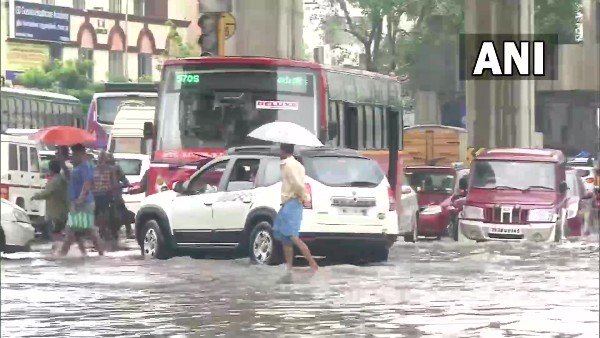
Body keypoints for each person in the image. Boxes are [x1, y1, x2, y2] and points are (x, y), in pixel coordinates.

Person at [272, 143, 318, 272]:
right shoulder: (297, 165)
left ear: (283, 150)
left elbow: (298, 184)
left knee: (292, 236)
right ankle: (289, 267)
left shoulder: (289, 165)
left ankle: (312, 264)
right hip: (289, 203)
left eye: (280, 150)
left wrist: (305, 198)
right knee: (286, 237)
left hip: (292, 202)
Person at [60, 144, 104, 256]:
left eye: (74, 153)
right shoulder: (77, 167)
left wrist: (80, 199)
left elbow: (87, 183)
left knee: (77, 230)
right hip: (78, 202)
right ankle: (87, 254)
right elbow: (70, 177)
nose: (72, 156)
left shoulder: (85, 166)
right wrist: (62, 161)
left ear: (81, 154)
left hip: (83, 203)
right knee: (78, 231)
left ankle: (61, 256)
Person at [32, 160, 69, 243]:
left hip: (56, 212)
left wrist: (35, 196)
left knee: (55, 232)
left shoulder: (55, 181)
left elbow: (47, 193)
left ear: (51, 169)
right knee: (58, 231)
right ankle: (60, 248)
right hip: (62, 210)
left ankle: (59, 248)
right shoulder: (61, 179)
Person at [92, 151, 118, 250]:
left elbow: (114, 183)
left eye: (103, 158)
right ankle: (100, 234)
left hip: (105, 195)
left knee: (103, 216)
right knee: (99, 216)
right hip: (98, 195)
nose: (101, 160)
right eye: (100, 158)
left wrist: (114, 193)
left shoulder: (110, 169)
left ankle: (101, 233)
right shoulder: (94, 169)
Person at [106, 153, 133, 239]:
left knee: (123, 212)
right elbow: (124, 180)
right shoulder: (114, 168)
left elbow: (124, 179)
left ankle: (128, 231)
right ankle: (128, 231)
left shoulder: (114, 168)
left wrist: (126, 184)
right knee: (123, 213)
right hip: (111, 195)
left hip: (112, 195)